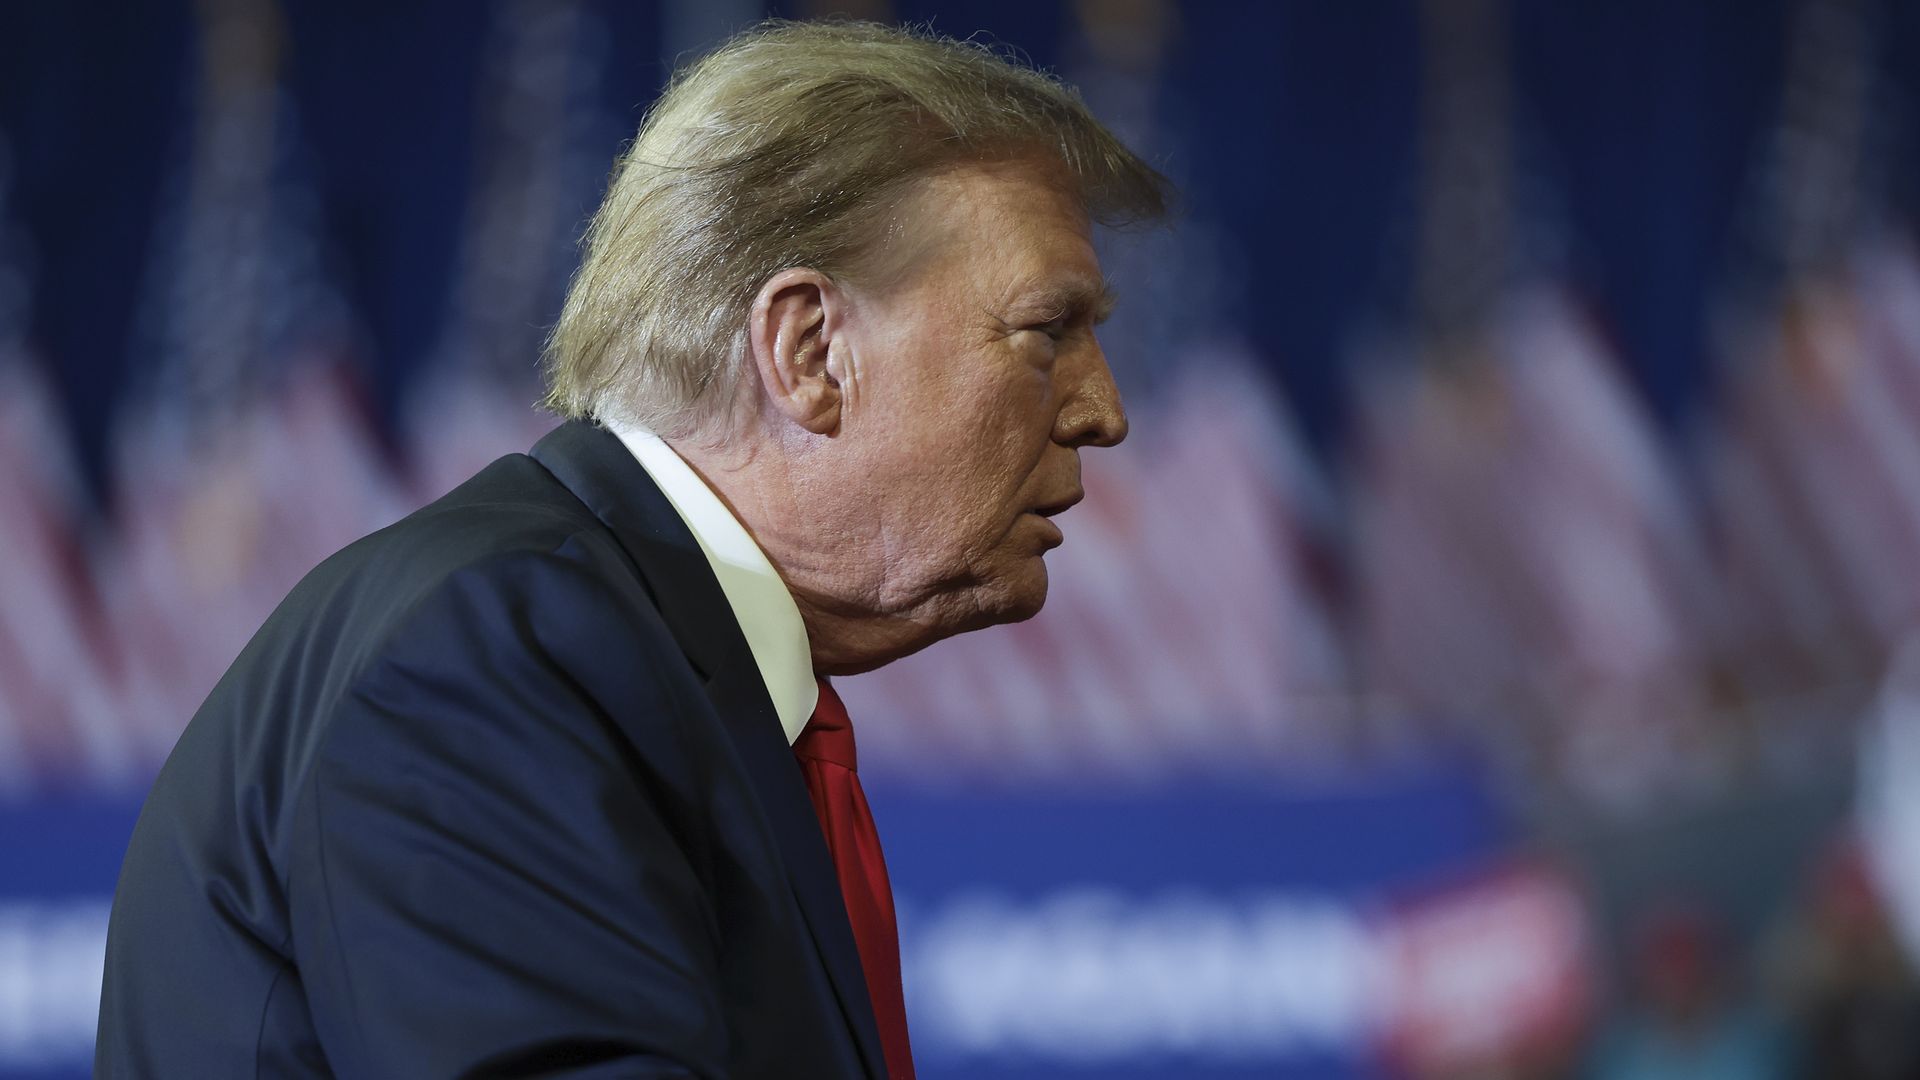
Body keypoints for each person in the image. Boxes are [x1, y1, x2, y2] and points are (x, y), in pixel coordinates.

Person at [94, 19, 1169, 1080]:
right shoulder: (491, 658)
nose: (1104, 411)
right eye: (1048, 332)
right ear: (809, 352)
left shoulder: (644, 664)